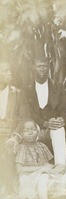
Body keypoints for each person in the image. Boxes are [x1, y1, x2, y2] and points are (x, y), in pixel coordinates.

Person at [18, 58, 66, 165]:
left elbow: (64, 109)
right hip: (35, 124)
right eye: (39, 66)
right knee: (30, 130)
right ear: (33, 68)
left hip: (53, 124)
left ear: (48, 67)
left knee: (59, 131)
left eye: (45, 66)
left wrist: (61, 120)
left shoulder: (57, 86)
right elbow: (26, 112)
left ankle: (60, 167)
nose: (42, 69)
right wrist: (44, 123)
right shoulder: (26, 88)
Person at [15, 120, 59, 199]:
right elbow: (19, 169)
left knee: (61, 167)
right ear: (22, 134)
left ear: (38, 132)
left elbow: (51, 163)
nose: (30, 133)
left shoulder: (42, 146)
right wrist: (41, 169)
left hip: (44, 176)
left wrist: (51, 168)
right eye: (26, 130)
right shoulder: (22, 148)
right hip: (29, 178)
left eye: (33, 129)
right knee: (43, 177)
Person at [0, 61, 20, 196]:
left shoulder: (16, 93)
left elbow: (23, 117)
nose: (10, 73)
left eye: (10, 70)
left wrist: (16, 136)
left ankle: (9, 188)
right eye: (6, 71)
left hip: (10, 134)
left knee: (7, 151)